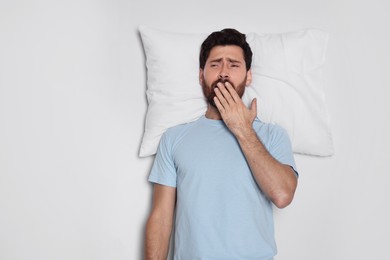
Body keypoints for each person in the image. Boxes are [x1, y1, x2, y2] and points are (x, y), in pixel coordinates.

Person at [144, 28, 298, 260]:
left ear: (248, 76)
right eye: (215, 64)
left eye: (234, 65)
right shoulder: (174, 139)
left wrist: (243, 129)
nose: (224, 73)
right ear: (200, 75)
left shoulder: (273, 135)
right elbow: (161, 218)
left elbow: (282, 195)